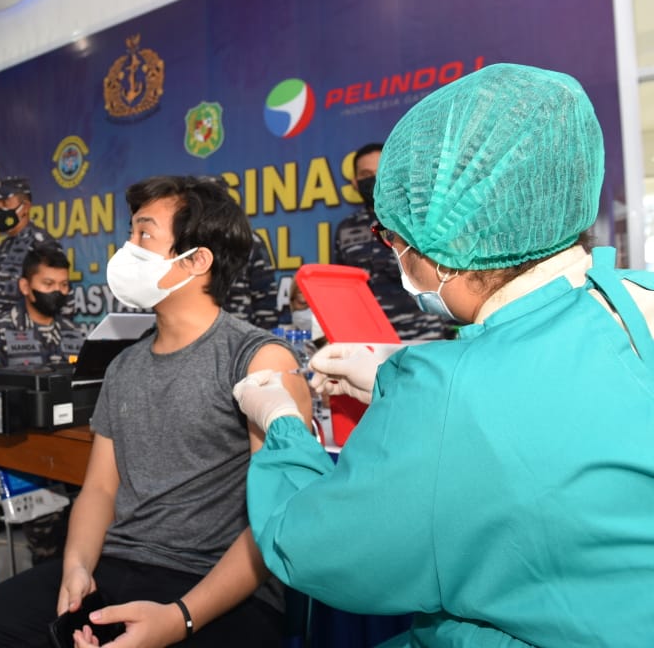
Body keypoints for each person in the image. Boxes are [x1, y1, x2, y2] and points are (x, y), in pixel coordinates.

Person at [235, 63, 654, 646]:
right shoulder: (637, 297)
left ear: (446, 252)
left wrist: (282, 424)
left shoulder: (446, 396)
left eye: (394, 238)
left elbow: (311, 547)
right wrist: (391, 375)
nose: (395, 253)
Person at [0, 175, 310, 648]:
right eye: (130, 233)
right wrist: (76, 568)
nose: (127, 249)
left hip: (216, 587)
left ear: (196, 260)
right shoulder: (123, 366)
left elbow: (277, 521)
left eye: (144, 234)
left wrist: (179, 619)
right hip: (114, 565)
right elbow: (100, 488)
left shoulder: (260, 361)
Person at [0, 245, 86, 566]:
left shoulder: (74, 333)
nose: (57, 292)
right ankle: (50, 581)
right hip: (16, 452)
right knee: (51, 533)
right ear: (25, 286)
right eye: (48, 284)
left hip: (68, 446)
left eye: (63, 285)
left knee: (99, 508)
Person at [333, 142, 448, 341]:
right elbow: (342, 287)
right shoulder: (346, 228)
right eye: (366, 174)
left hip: (421, 335)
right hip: (367, 339)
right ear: (355, 182)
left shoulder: (417, 220)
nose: (374, 179)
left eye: (380, 172)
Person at [0, 175, 63, 323]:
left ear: (25, 207)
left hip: (28, 334)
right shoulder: (5, 245)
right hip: (0, 330)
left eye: (4, 203)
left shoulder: (42, 244)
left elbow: (56, 299)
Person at [224, 233, 281, 331]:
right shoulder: (196, 237)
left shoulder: (249, 240)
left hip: (240, 332)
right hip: (198, 332)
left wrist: (265, 336)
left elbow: (265, 300)